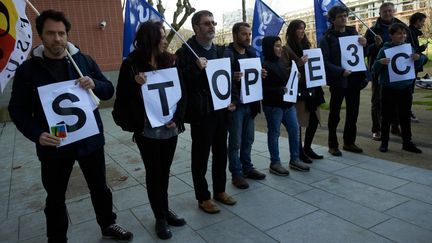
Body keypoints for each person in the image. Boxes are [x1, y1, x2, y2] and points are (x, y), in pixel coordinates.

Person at [8, 10, 132, 242]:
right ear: (41, 36)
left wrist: (94, 83)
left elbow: (108, 91)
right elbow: (17, 109)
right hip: (55, 144)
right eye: (51, 33)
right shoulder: (28, 70)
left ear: (67, 34)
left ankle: (108, 224)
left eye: (61, 33)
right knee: (55, 197)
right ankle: (57, 238)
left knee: (100, 188)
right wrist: (37, 134)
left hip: (90, 140)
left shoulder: (83, 61)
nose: (57, 39)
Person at [114, 21, 186, 240]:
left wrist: (177, 118)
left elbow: (182, 92)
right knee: (154, 174)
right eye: (161, 36)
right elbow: (122, 99)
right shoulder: (131, 65)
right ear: (149, 39)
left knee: (164, 172)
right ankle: (160, 217)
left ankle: (164, 208)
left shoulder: (171, 61)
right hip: (147, 131)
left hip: (170, 129)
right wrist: (134, 84)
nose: (165, 40)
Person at [175, 10, 236, 214]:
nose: (212, 26)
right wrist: (195, 68)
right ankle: (203, 197)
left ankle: (220, 190)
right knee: (200, 157)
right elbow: (181, 86)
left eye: (213, 22)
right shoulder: (185, 53)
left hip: (221, 112)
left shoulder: (221, 51)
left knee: (221, 153)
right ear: (196, 27)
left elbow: (229, 79)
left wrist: (232, 100)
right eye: (207, 23)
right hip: (202, 114)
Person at [223, 22, 266, 189]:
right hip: (237, 105)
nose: (248, 37)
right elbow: (220, 79)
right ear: (234, 36)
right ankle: (236, 173)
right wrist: (231, 77)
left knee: (248, 139)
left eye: (249, 34)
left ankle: (247, 167)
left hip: (251, 103)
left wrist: (261, 73)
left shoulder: (251, 53)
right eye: (244, 34)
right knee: (235, 141)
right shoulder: (227, 54)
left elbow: (254, 76)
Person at [319, 5, 367, 156]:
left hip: (354, 79)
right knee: (335, 113)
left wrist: (364, 45)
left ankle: (349, 142)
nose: (344, 18)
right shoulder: (326, 38)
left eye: (345, 15)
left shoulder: (353, 33)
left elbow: (359, 56)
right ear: (332, 20)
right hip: (338, 80)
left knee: (353, 112)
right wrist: (340, 71)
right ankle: (333, 144)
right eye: (340, 16)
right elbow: (324, 61)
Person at [261, 35, 311, 176]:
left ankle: (294, 159)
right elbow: (262, 90)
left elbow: (285, 80)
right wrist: (279, 90)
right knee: (274, 133)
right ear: (269, 48)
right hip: (273, 106)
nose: (280, 48)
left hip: (287, 104)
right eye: (277, 46)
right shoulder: (264, 66)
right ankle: (275, 163)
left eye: (280, 45)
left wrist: (295, 78)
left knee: (294, 130)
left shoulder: (281, 62)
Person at [372, 23, 422, 154]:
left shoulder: (409, 48)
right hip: (389, 88)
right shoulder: (384, 49)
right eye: (399, 33)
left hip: (405, 88)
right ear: (391, 35)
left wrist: (419, 58)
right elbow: (374, 69)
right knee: (386, 116)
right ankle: (384, 143)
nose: (403, 36)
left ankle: (407, 142)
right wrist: (380, 62)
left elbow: (419, 62)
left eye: (404, 33)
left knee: (405, 116)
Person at [281, 19, 325, 163]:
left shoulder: (307, 45)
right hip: (299, 89)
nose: (302, 31)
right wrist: (299, 64)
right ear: (292, 31)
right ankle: (298, 151)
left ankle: (308, 147)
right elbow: (284, 70)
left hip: (313, 86)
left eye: (303, 28)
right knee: (299, 121)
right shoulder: (286, 49)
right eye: (299, 28)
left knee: (314, 118)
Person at [366, 2, 404, 141]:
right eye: (384, 12)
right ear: (380, 14)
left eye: (389, 11)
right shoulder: (371, 30)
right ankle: (376, 129)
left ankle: (395, 126)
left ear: (393, 11)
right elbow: (365, 50)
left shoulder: (401, 27)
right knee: (377, 100)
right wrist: (374, 45)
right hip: (379, 70)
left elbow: (408, 45)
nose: (387, 13)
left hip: (398, 69)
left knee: (396, 100)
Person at [406, 12, 429, 123]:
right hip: (410, 67)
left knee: (409, 90)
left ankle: (406, 111)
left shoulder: (412, 32)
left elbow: (414, 50)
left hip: (411, 66)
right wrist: (421, 52)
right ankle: (407, 112)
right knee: (408, 91)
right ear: (417, 21)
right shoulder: (409, 32)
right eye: (423, 21)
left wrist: (421, 49)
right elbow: (411, 52)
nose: (423, 24)